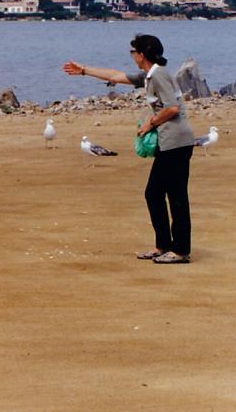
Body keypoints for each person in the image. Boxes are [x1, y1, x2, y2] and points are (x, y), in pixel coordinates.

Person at [63, 34, 196, 264]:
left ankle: (180, 250)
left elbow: (173, 108)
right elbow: (115, 75)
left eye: (133, 51)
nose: (132, 55)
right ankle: (164, 246)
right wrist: (84, 70)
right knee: (155, 193)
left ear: (141, 54)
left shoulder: (159, 75)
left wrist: (150, 124)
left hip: (177, 142)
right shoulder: (149, 75)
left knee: (173, 196)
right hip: (170, 142)